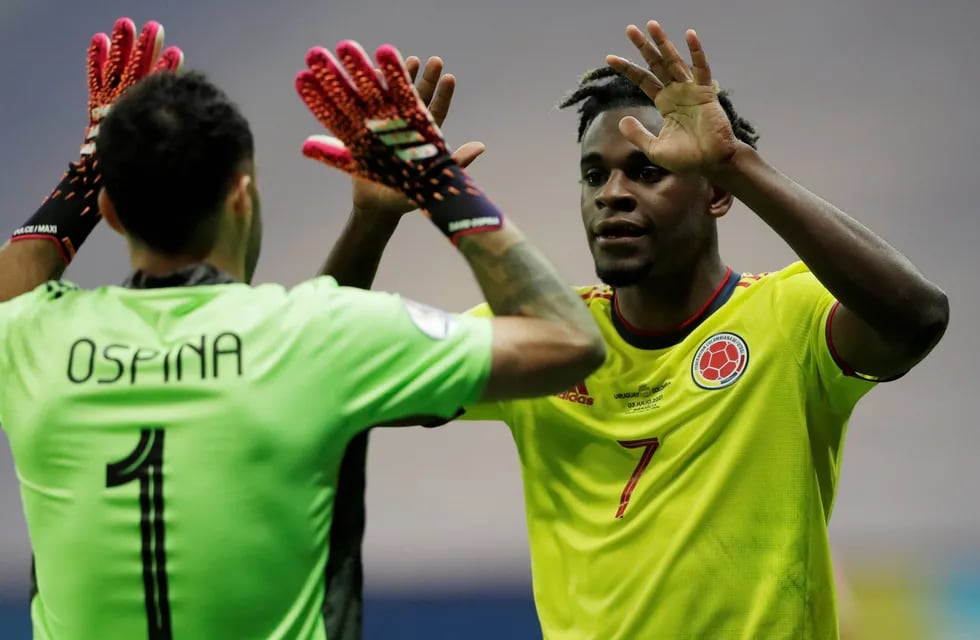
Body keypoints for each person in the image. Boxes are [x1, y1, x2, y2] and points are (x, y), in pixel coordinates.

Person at [321, 20, 949, 639]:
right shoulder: (543, 339)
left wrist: (736, 162)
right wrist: (371, 220)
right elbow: (328, 384)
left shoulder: (790, 318)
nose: (612, 195)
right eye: (595, 175)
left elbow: (917, 318)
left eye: (646, 171)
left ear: (716, 195)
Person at [0, 32, 605, 640]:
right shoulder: (317, 337)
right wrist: (435, 180)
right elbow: (568, 340)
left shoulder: (32, 342)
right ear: (243, 197)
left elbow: (14, 281)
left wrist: (88, 170)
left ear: (110, 212)